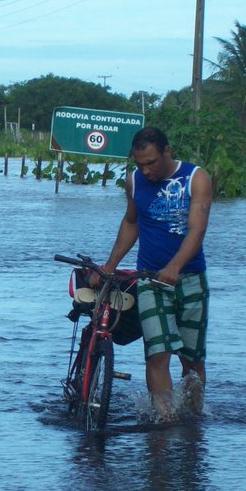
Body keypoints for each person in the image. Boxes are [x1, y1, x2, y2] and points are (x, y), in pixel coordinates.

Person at [99, 127, 213, 420]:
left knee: (191, 360)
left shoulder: (195, 178)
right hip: (149, 280)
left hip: (190, 280)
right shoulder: (134, 182)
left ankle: (192, 420)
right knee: (157, 354)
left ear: (167, 152)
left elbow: (197, 228)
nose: (146, 170)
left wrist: (175, 266)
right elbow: (131, 223)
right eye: (140, 164)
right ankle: (165, 420)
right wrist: (109, 266)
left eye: (151, 162)